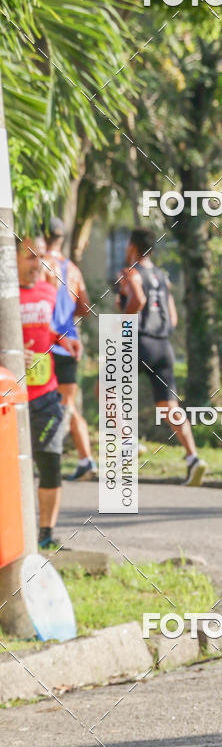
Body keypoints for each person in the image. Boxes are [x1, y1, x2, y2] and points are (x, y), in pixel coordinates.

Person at [118, 228, 207, 486]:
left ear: (133, 247)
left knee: (106, 388)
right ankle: (193, 459)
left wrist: (123, 326)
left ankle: (128, 441)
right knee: (169, 407)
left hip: (139, 339)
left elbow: (139, 299)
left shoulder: (131, 273)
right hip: (163, 346)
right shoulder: (162, 276)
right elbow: (173, 317)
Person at [18, 235, 81, 551]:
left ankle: (46, 534)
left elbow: (55, 329)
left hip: (45, 393)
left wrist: (66, 340)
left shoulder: (49, 292)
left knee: (51, 460)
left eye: (40, 256)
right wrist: (12, 355)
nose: (36, 264)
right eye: (30, 256)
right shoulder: (6, 296)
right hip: (11, 399)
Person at [42, 216, 96, 480]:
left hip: (46, 344)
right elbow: (85, 308)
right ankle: (86, 459)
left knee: (38, 403)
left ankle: (40, 457)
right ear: (62, 238)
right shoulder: (73, 269)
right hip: (70, 345)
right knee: (69, 405)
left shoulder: (39, 265)